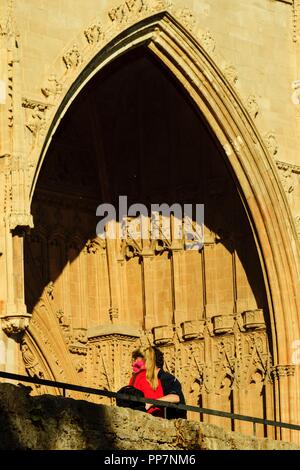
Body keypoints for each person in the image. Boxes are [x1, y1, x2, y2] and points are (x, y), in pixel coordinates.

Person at [132, 346, 187, 419]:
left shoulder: (166, 377)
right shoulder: (146, 380)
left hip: (173, 423)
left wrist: (151, 403)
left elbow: (176, 397)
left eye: (141, 363)